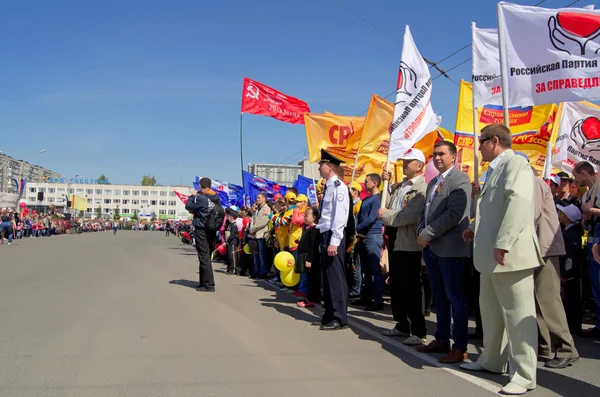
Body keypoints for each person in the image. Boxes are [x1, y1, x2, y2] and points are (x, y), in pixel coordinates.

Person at [462, 123, 542, 395]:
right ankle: (492, 360)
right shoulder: (494, 170)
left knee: (520, 318)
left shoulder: (516, 164)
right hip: (489, 257)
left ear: (494, 141)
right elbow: (494, 211)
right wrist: (474, 229)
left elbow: (518, 203)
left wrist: (504, 243)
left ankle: (524, 374)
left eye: (481, 141)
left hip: (510, 256)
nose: (479, 147)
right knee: (492, 314)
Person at [416, 141, 471, 365]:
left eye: (441, 154)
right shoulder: (434, 182)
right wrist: (421, 229)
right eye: (434, 154)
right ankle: (441, 338)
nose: (437, 158)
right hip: (433, 249)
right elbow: (425, 210)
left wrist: (427, 233)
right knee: (439, 298)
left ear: (454, 157)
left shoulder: (460, 180)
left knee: (455, 298)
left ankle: (460, 347)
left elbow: (454, 214)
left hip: (450, 249)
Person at [525, 153, 578, 369]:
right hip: (536, 248)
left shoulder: (533, 183)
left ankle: (566, 348)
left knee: (548, 300)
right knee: (536, 301)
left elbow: (530, 214)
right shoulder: (531, 183)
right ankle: (545, 346)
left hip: (544, 248)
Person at [378, 148, 428, 346]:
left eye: (409, 161)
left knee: (411, 287)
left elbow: (409, 216)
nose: (405, 164)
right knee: (397, 285)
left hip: (410, 243)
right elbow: (388, 204)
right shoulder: (400, 186)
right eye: (404, 160)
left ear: (420, 166)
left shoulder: (422, 188)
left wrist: (387, 215)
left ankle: (418, 329)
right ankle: (401, 324)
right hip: (396, 239)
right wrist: (387, 184)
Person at [316, 148, 350, 331]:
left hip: (333, 235)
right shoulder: (328, 187)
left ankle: (339, 317)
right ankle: (330, 313)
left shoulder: (339, 188)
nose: (319, 167)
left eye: (321, 164)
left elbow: (339, 216)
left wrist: (334, 241)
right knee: (328, 277)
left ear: (330, 167)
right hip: (325, 233)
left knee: (335, 277)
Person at [573, 161, 600, 339]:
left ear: (584, 173)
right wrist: (585, 217)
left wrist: (592, 210)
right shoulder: (588, 194)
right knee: (595, 283)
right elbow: (585, 221)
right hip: (591, 239)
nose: (576, 181)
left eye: (576, 176)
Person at [185, 177, 222, 292]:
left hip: (202, 228)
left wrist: (192, 196)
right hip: (211, 229)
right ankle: (203, 282)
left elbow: (189, 206)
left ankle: (209, 285)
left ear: (200, 186)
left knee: (204, 257)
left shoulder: (201, 198)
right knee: (204, 256)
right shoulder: (216, 197)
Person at [356, 173, 384, 311]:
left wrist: (357, 228)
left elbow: (372, 218)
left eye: (366, 181)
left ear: (374, 183)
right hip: (363, 236)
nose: (364, 183)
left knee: (375, 270)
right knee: (366, 270)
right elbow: (360, 216)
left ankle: (378, 300)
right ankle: (366, 297)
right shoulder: (366, 199)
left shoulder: (378, 199)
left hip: (373, 235)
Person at [557, 204, 584, 336]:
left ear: (567, 218)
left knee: (572, 301)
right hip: (570, 274)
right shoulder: (568, 230)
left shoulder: (572, 234)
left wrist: (564, 275)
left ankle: (574, 328)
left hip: (571, 275)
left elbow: (570, 255)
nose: (560, 215)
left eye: (562, 213)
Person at [296, 207, 321, 308]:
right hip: (304, 254)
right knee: (310, 277)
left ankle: (311, 299)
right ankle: (312, 297)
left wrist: (309, 260)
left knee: (312, 279)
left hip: (310, 256)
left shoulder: (315, 228)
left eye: (307, 215)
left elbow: (312, 245)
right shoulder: (307, 228)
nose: (305, 217)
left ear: (314, 217)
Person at [249, 193, 272, 279]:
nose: (257, 199)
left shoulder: (267, 209)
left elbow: (262, 223)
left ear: (264, 199)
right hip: (255, 235)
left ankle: (263, 272)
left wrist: (253, 229)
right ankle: (256, 271)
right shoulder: (258, 209)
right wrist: (251, 229)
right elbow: (253, 220)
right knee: (256, 255)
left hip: (262, 235)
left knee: (262, 256)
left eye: (259, 198)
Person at [225, 210, 240, 275]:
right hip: (229, 242)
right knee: (229, 257)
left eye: (229, 217)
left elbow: (232, 235)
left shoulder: (234, 225)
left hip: (233, 242)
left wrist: (227, 241)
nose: (228, 218)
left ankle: (233, 269)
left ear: (232, 217)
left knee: (233, 257)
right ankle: (229, 268)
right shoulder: (230, 224)